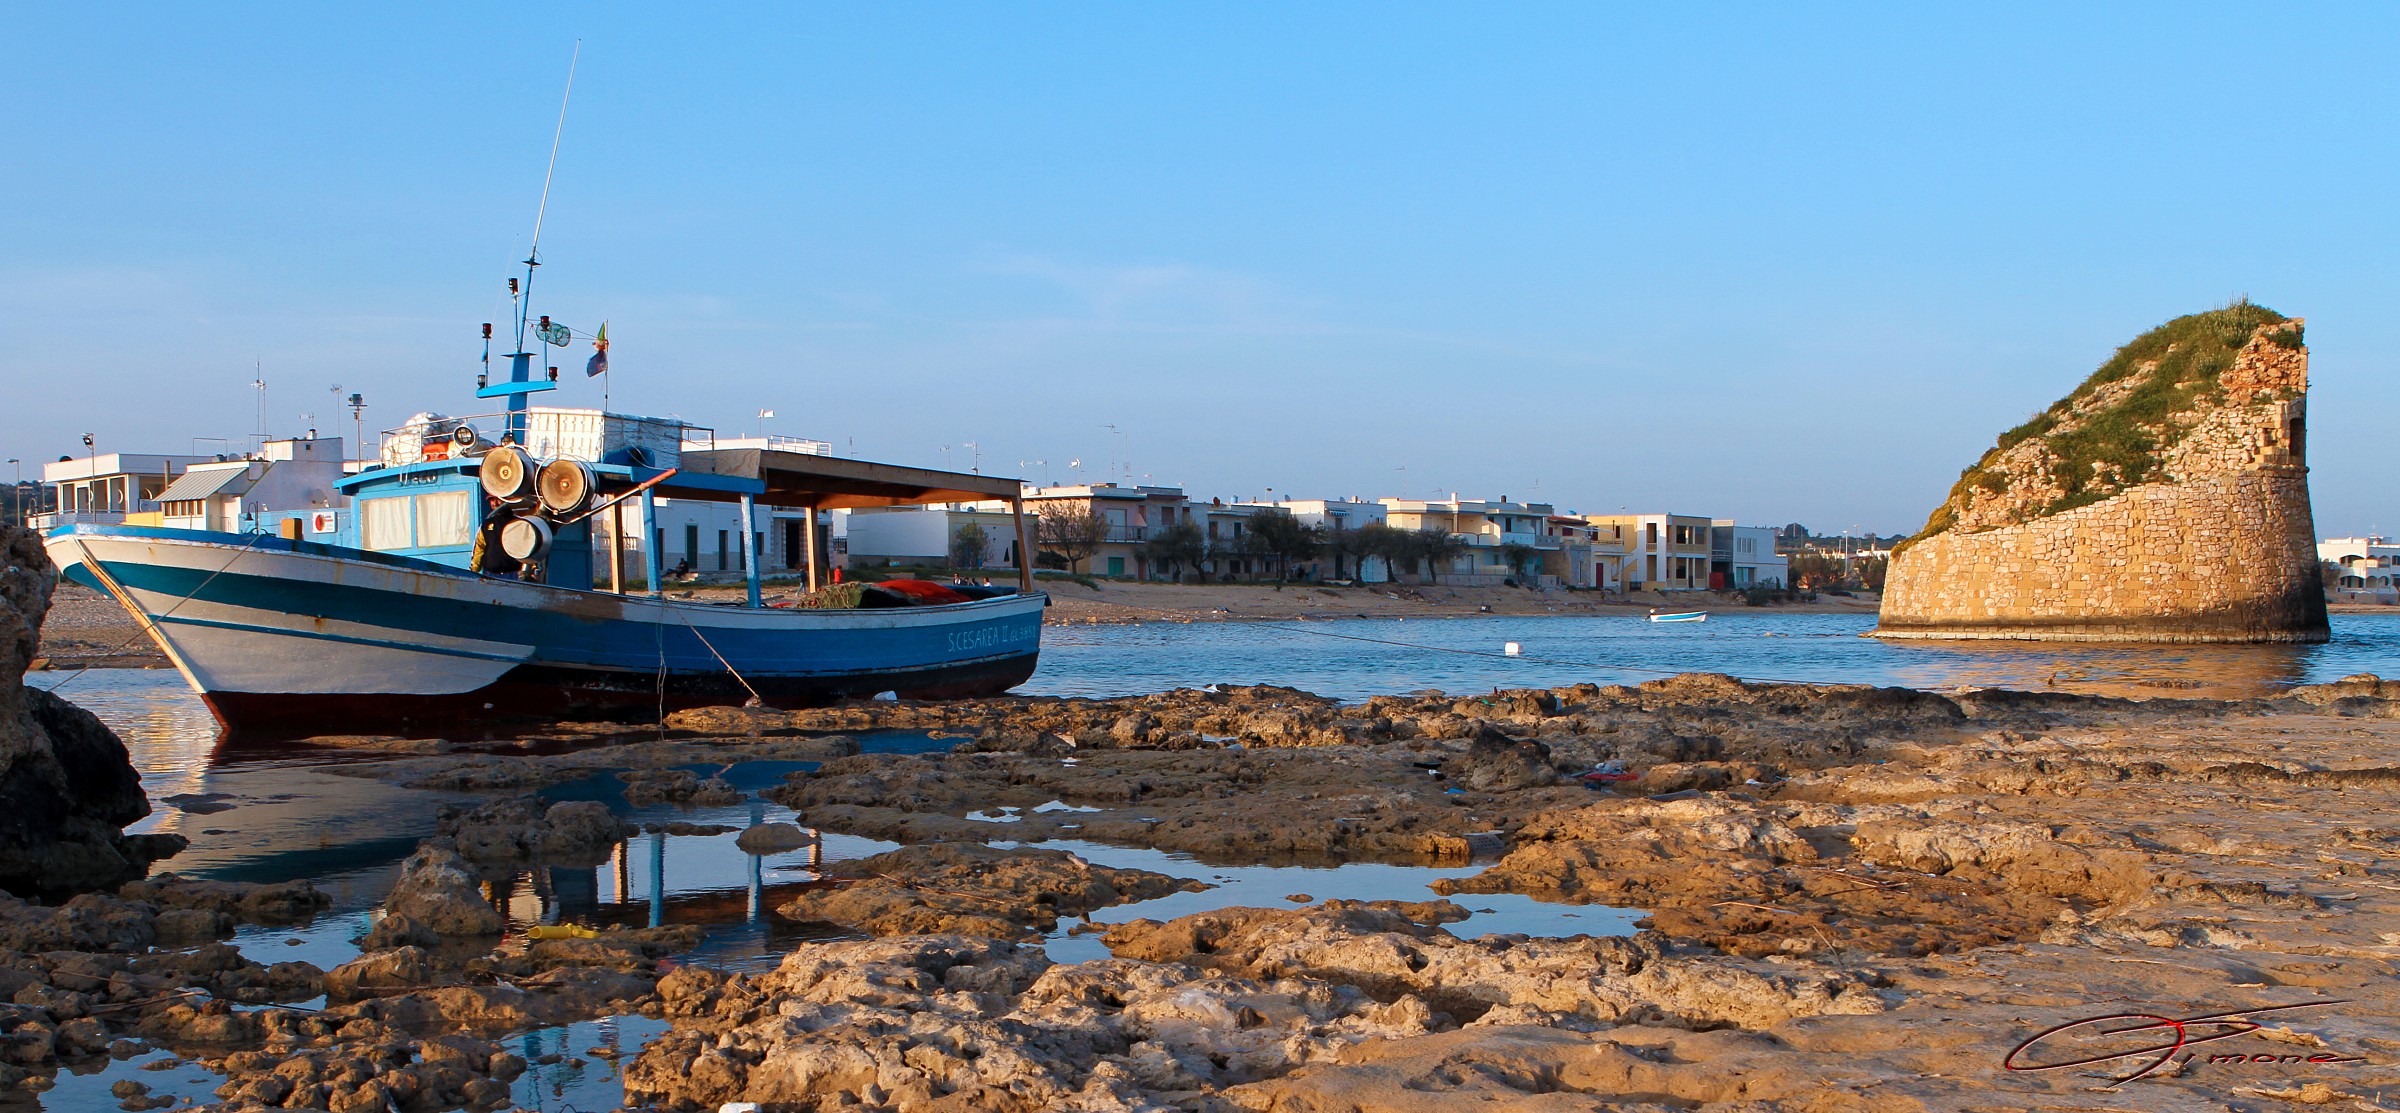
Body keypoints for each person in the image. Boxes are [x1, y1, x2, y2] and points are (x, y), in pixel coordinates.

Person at [469, 496, 523, 577]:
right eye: (492, 500)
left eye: (498, 499)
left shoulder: (519, 522)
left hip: (514, 574)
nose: (495, 503)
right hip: (491, 575)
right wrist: (473, 571)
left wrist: (531, 570)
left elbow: (528, 546)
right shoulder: (486, 524)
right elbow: (479, 548)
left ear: (506, 500)